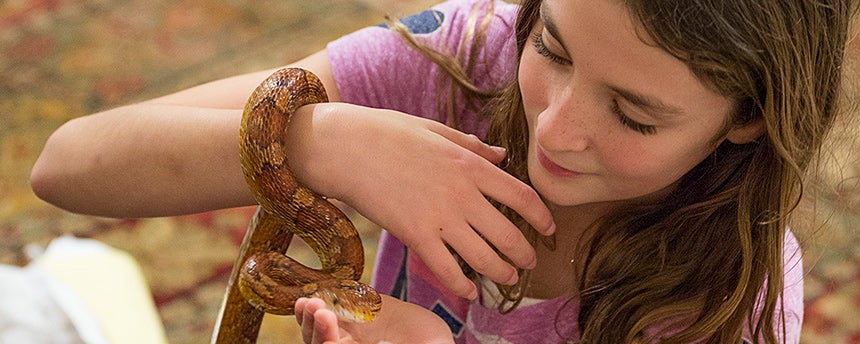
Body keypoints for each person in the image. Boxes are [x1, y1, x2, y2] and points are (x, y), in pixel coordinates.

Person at [30, 0, 858, 342]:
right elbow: (68, 163)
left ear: (749, 118)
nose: (555, 129)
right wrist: (323, 140)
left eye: (634, 114)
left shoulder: (734, 301)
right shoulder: (466, 58)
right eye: (552, 49)